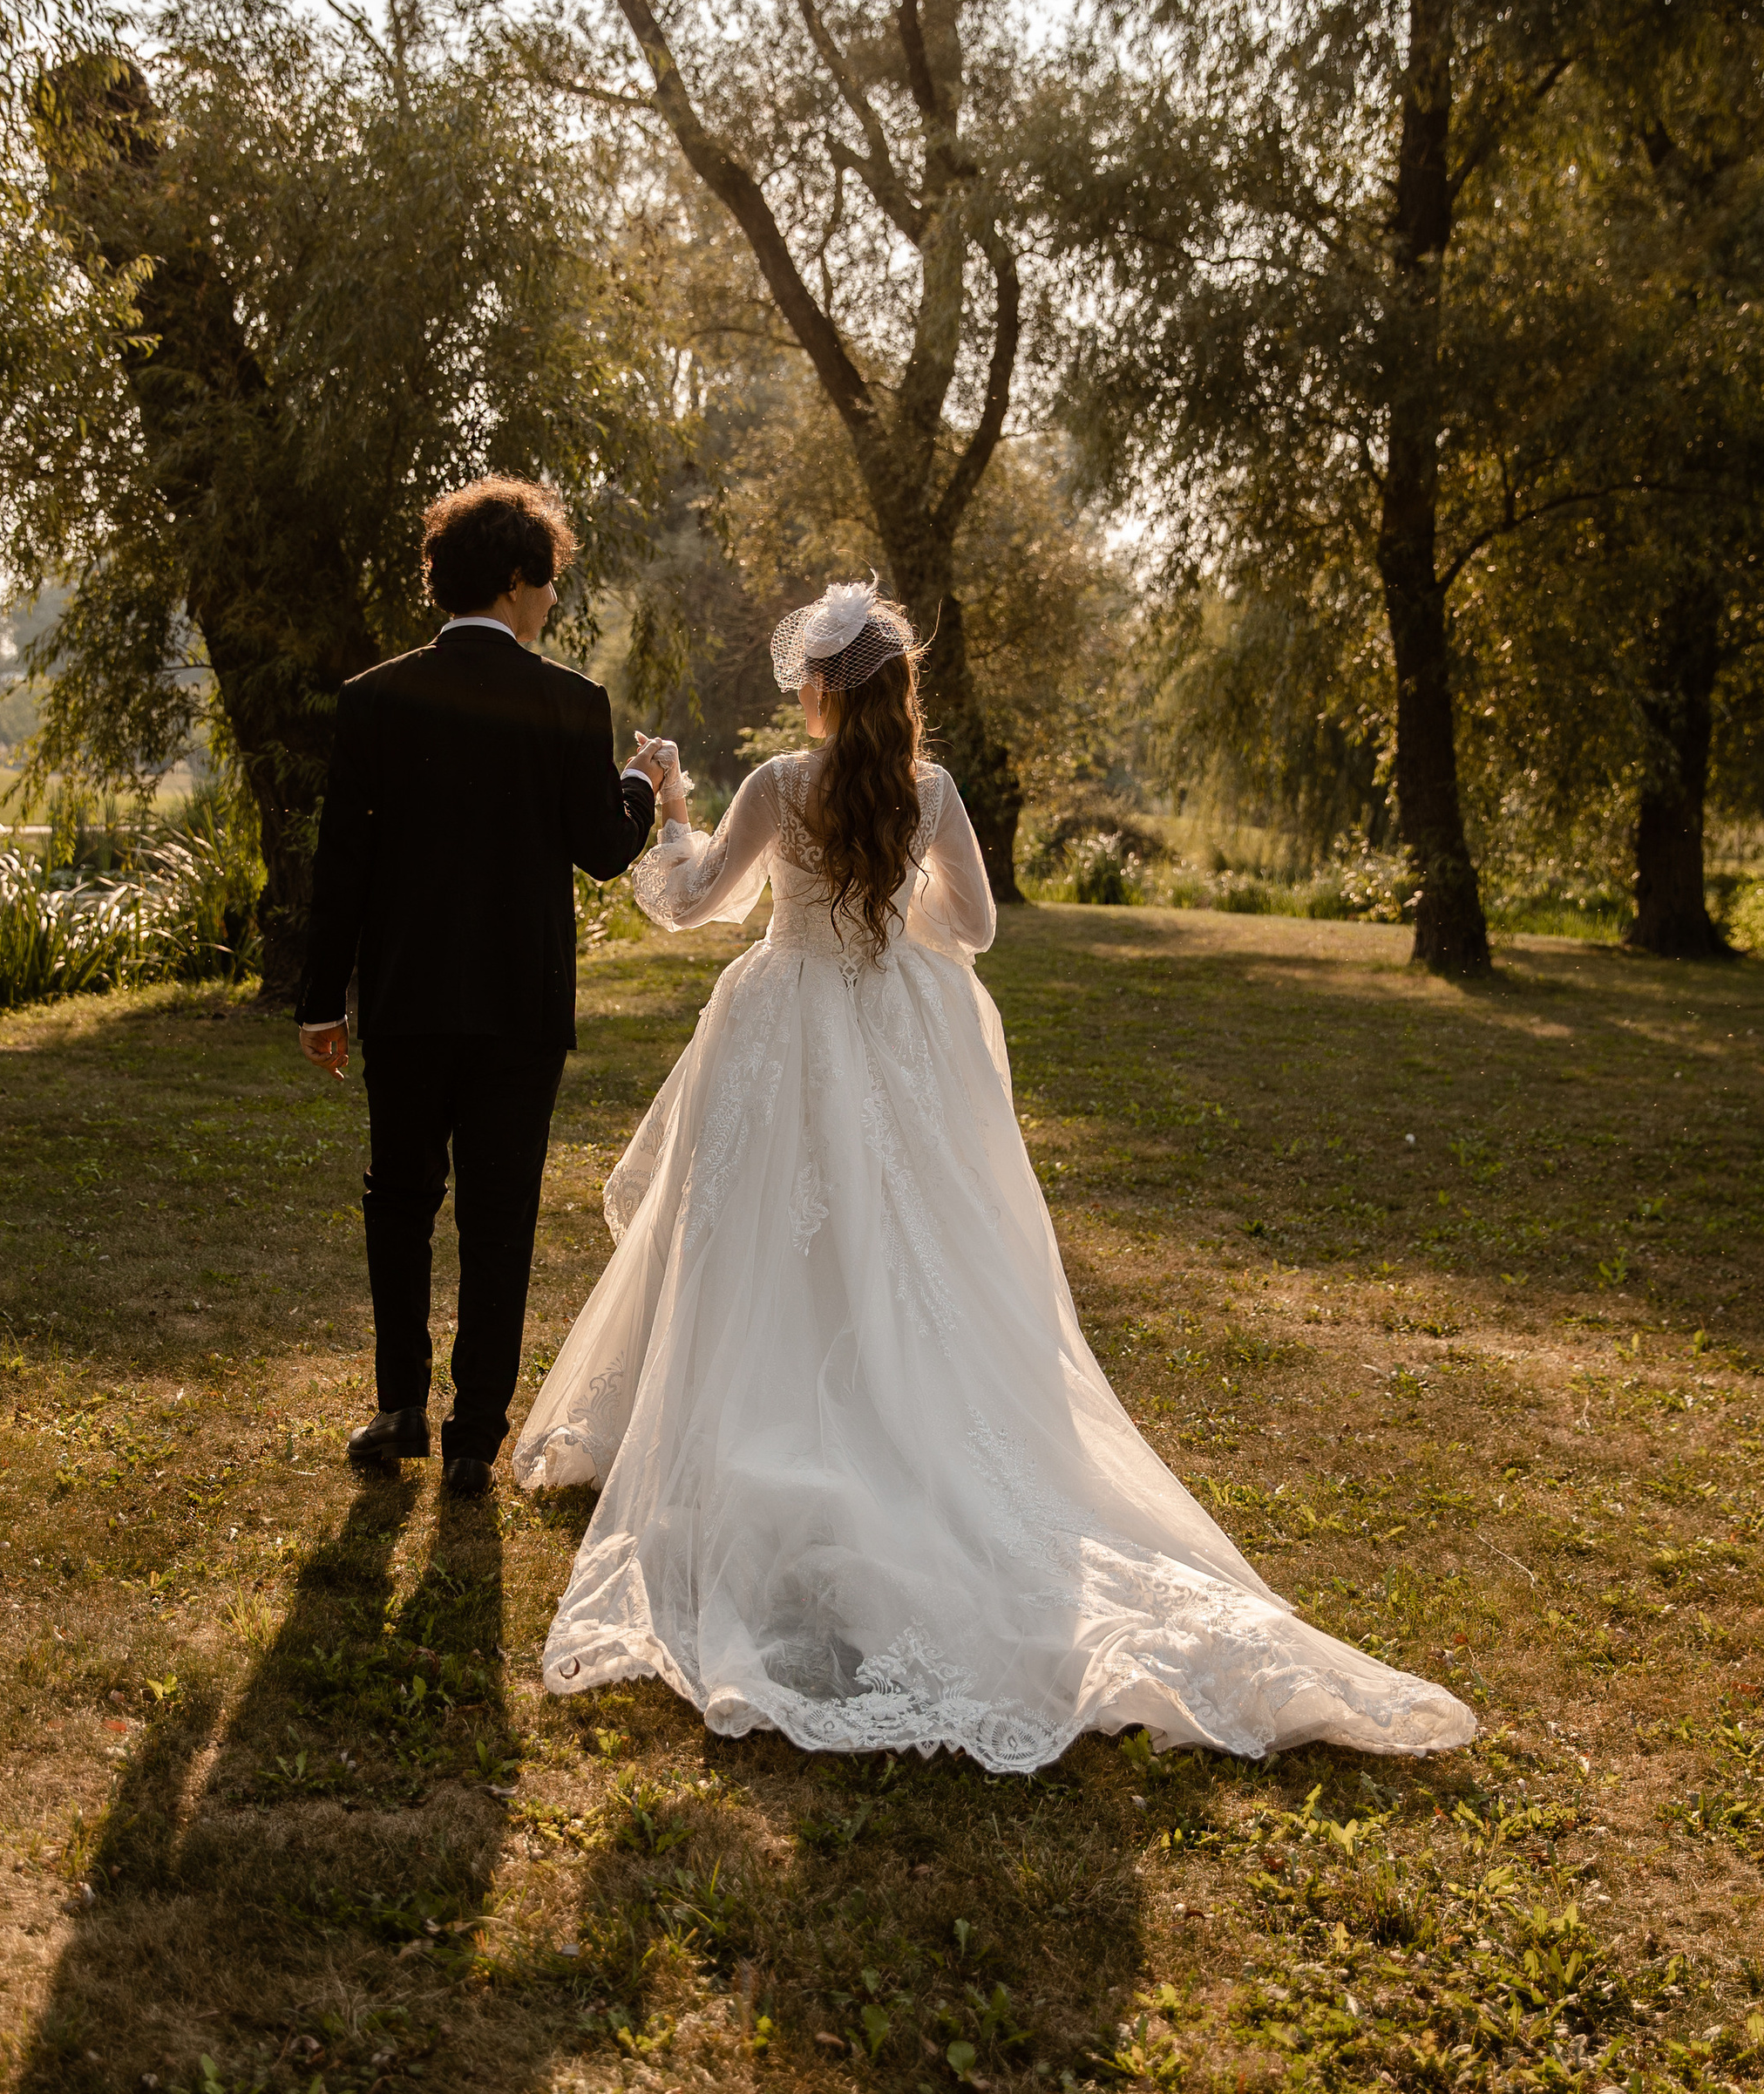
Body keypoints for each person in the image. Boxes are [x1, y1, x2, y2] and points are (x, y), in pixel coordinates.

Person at [517, 578, 1476, 1769]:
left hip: (781, 1024)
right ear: (898, 690)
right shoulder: (929, 793)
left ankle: (759, 1443)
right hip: (890, 1034)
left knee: (765, 1239)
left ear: (822, 689)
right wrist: (890, 905)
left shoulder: (777, 785)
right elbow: (971, 930)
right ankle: (892, 1426)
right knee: (903, 1243)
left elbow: (693, 900)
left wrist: (667, 808)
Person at [295, 475, 672, 1498]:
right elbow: (602, 849)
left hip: (408, 1002)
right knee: (498, 1216)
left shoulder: (374, 699)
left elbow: (342, 868)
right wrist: (639, 782)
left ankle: (397, 1406)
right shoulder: (568, 703)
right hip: (519, 1008)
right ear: (514, 582)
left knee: (398, 1202)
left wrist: (323, 1000)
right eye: (547, 584)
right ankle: (473, 1436)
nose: (552, 603)